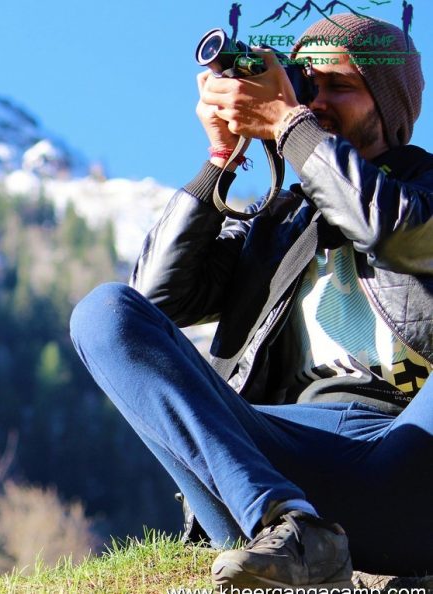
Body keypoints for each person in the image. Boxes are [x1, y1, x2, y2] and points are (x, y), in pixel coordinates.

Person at [70, 13, 431, 589]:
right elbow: (157, 302)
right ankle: (286, 524)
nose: (316, 103)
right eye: (306, 86)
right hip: (280, 466)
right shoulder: (280, 222)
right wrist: (221, 157)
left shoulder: (420, 197)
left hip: (410, 457)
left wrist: (289, 124)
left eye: (340, 86)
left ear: (390, 109)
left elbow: (392, 232)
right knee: (103, 312)